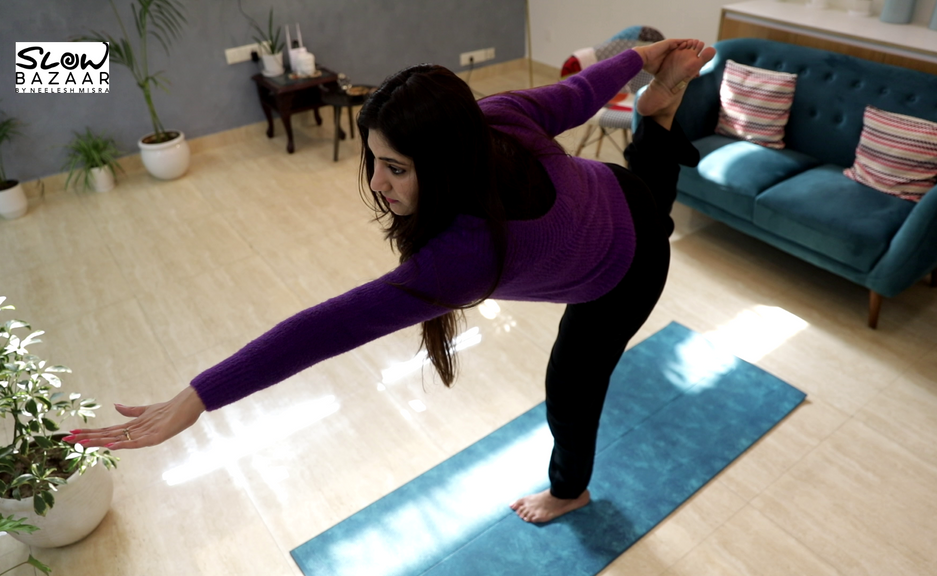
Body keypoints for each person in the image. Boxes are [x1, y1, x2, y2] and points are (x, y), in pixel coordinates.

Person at [64, 38, 717, 524]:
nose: (376, 182)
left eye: (396, 168)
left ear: (446, 163)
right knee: (651, 192)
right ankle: (657, 118)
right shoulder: (492, 116)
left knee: (570, 388)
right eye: (374, 159)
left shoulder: (462, 256)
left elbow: (326, 328)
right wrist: (641, 55)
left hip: (625, 272)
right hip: (616, 188)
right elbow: (580, 92)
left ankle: (570, 491)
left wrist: (198, 397)